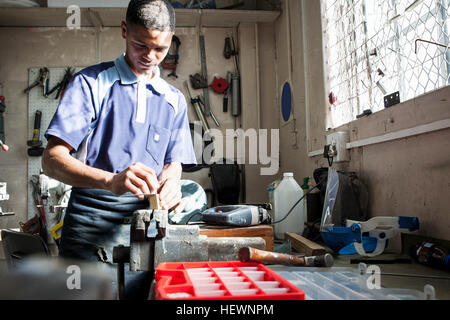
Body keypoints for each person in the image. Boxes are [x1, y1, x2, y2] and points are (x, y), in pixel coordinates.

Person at [42, 0, 199, 300]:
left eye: (161, 49)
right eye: (141, 45)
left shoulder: (174, 100)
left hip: (148, 234)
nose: (150, 57)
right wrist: (110, 181)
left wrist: (173, 181)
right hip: (89, 230)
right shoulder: (90, 83)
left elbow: (174, 163)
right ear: (124, 30)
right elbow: (51, 161)